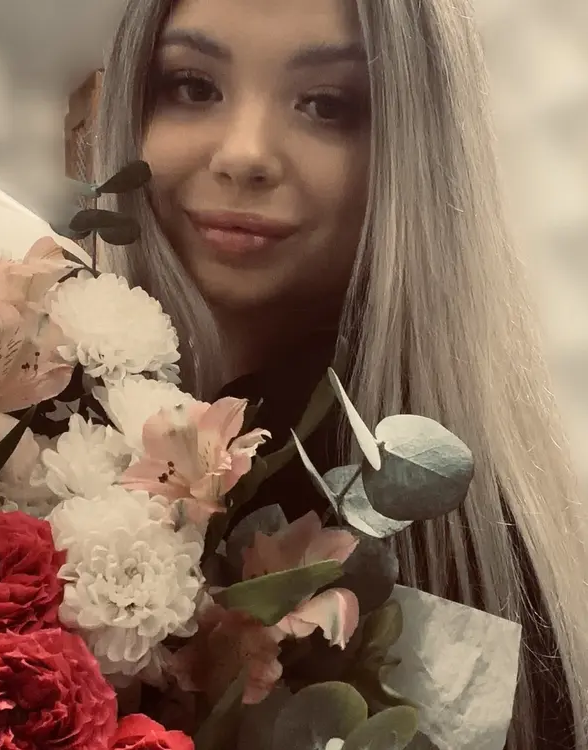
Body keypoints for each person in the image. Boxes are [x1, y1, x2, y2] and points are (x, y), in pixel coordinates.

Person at [90, 0, 588, 747]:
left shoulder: (438, 548)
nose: (244, 154)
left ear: (413, 151)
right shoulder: (34, 422)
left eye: (326, 105)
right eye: (193, 87)